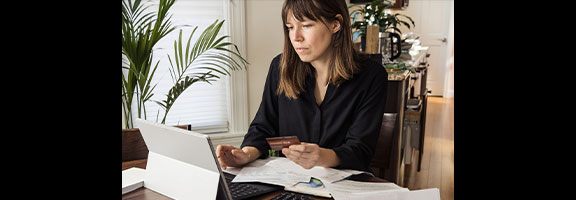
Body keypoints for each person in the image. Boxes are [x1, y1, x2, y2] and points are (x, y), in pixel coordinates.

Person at [216, 0, 388, 172]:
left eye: (306, 25)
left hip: (345, 187)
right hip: (289, 183)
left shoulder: (371, 76)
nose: (296, 37)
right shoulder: (280, 68)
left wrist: (323, 157)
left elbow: (361, 150)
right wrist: (246, 154)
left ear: (335, 24)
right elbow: (263, 127)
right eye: (290, 27)